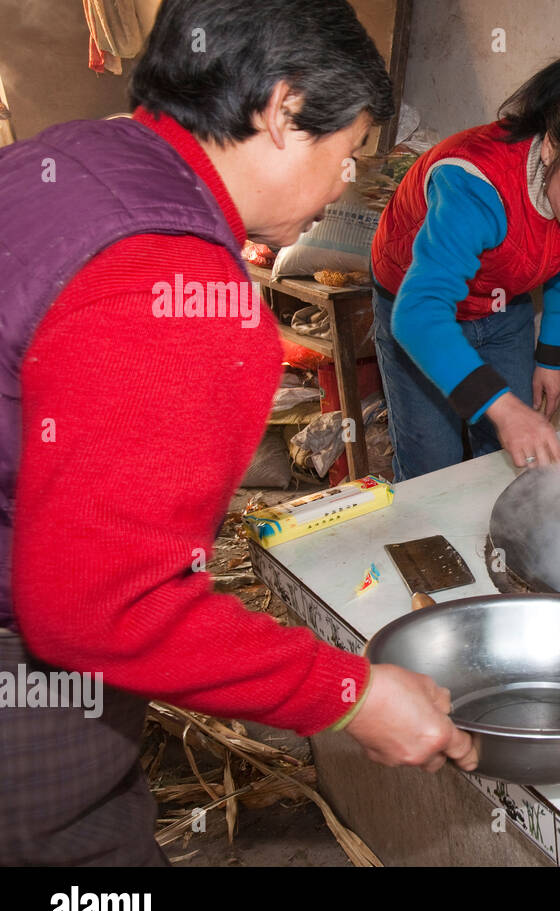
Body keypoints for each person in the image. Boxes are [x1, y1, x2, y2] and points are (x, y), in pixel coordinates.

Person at [0, 0, 474, 867]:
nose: (343, 185)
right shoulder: (169, 285)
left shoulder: (78, 155)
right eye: (348, 153)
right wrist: (349, 692)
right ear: (283, 111)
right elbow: (104, 609)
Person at [369, 54, 560, 480]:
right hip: (419, 306)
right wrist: (505, 409)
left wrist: (552, 359)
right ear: (551, 147)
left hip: (503, 303)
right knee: (434, 468)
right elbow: (418, 316)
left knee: (510, 459)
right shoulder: (474, 185)